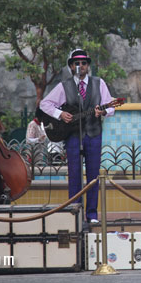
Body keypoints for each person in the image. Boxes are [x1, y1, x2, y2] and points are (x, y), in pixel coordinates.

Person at [40, 49, 116, 223]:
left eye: (83, 63)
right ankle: (75, 213)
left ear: (88, 65)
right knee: (74, 174)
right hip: (73, 135)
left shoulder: (99, 83)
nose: (80, 66)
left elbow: (110, 106)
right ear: (71, 66)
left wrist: (102, 112)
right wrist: (60, 114)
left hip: (93, 134)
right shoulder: (64, 86)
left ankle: (92, 214)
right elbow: (45, 104)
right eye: (76, 63)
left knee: (93, 175)